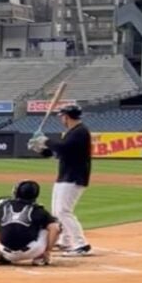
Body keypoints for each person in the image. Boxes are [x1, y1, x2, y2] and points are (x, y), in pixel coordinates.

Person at [28, 104, 92, 256]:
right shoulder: (73, 132)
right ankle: (66, 240)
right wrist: (42, 150)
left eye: (62, 116)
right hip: (65, 175)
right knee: (57, 211)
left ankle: (81, 244)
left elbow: (63, 148)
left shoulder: (80, 132)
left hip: (73, 177)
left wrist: (45, 140)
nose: (61, 119)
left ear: (67, 117)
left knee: (64, 211)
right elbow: (62, 153)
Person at [0, 180, 61, 267]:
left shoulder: (4, 206)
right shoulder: (38, 210)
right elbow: (55, 229)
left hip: (5, 250)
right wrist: (48, 251)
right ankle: (40, 257)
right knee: (54, 224)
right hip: (32, 251)